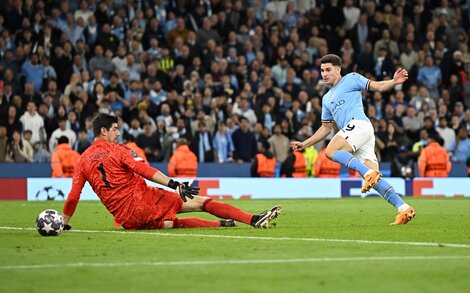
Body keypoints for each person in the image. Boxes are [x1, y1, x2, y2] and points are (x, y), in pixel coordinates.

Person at [62, 113, 281, 230]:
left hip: (126, 220)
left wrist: (64, 222)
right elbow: (144, 170)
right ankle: (253, 219)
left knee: (169, 223)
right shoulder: (118, 150)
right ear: (103, 131)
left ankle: (220, 224)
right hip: (144, 201)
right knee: (201, 202)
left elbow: (73, 196)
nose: (118, 133)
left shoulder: (82, 160)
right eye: (115, 129)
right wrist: (174, 184)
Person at [290, 54, 415, 225]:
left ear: (338, 69)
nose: (324, 74)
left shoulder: (351, 79)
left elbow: (377, 86)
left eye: (328, 70)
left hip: (359, 125)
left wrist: (393, 82)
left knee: (332, 151)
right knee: (376, 180)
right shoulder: (326, 98)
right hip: (358, 135)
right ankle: (404, 208)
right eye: (322, 70)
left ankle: (367, 173)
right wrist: (305, 143)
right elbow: (326, 128)